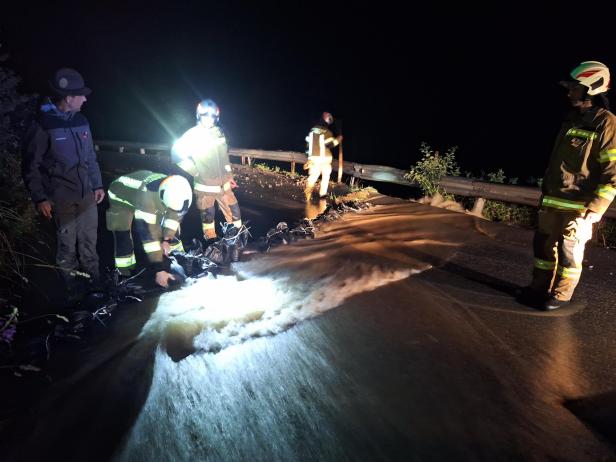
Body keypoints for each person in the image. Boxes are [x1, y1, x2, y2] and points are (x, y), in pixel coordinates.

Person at [522, 61, 616, 311]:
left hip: (580, 205)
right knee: (542, 247)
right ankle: (538, 288)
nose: (569, 92)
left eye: (575, 88)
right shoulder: (571, 119)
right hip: (554, 199)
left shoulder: (606, 123)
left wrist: (597, 207)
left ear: (591, 88)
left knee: (569, 252)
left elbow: (613, 171)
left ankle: (561, 295)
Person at [22, 67, 105, 299]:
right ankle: (73, 292)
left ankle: (95, 286)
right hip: (61, 198)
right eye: (81, 95)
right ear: (69, 98)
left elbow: (90, 157)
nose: (85, 98)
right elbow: (31, 165)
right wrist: (40, 197)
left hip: (86, 195)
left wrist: (97, 185)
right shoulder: (43, 124)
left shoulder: (82, 120)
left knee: (89, 243)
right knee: (67, 247)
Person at [171, 99, 242, 242]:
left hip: (224, 186)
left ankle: (237, 239)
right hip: (205, 187)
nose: (209, 119)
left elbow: (224, 158)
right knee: (208, 217)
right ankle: (211, 242)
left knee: (235, 213)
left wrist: (229, 176)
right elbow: (176, 155)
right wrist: (196, 172)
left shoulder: (219, 133)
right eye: (205, 116)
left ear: (216, 117)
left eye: (212, 116)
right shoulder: (193, 134)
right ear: (199, 116)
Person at [106, 171, 192, 288]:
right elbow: (149, 236)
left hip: (149, 194)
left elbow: (173, 218)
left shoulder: (176, 188)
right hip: (120, 196)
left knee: (170, 226)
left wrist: (167, 240)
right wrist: (159, 270)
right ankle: (124, 274)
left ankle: (178, 258)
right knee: (123, 235)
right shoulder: (146, 199)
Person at [304, 111, 343, 200]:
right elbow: (329, 144)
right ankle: (322, 195)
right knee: (325, 176)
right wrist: (339, 139)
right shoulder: (327, 132)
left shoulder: (312, 131)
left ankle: (307, 194)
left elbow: (307, 146)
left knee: (313, 176)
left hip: (314, 159)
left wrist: (309, 158)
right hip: (324, 159)